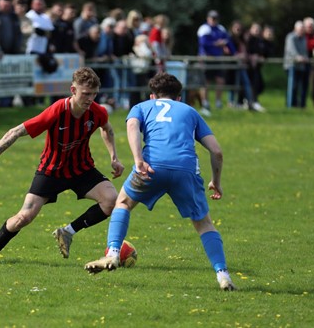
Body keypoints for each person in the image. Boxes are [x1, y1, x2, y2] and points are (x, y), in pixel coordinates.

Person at [84, 72, 236, 292]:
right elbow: (217, 152)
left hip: (151, 167)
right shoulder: (190, 111)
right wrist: (216, 181)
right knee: (204, 224)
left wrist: (138, 161)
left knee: (123, 203)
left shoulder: (142, 107)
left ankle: (113, 253)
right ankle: (223, 275)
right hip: (186, 170)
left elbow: (132, 127)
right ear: (179, 98)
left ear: (152, 96)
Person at [0, 67, 125, 264]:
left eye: (94, 94)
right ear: (73, 90)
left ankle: (67, 232)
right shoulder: (56, 111)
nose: (90, 99)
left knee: (111, 200)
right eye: (86, 94)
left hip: (82, 169)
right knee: (25, 217)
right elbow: (15, 132)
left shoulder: (97, 112)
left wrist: (114, 157)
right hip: (52, 171)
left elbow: (107, 129)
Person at [197, 10, 236, 116]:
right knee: (206, 82)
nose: (214, 20)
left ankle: (218, 102)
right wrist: (216, 44)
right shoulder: (204, 28)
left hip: (218, 58)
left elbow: (228, 41)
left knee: (220, 80)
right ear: (208, 18)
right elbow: (203, 43)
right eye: (212, 18)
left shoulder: (220, 29)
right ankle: (205, 103)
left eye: (215, 18)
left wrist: (233, 53)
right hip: (207, 58)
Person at [283, 20, 309, 108]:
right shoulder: (291, 37)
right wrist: (298, 57)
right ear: (296, 29)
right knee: (292, 86)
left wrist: (304, 57)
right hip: (291, 65)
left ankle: (298, 105)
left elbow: (304, 51)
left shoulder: (304, 38)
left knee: (299, 86)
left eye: (303, 29)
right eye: (301, 29)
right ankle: (290, 104)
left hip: (300, 66)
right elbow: (291, 50)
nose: (302, 31)